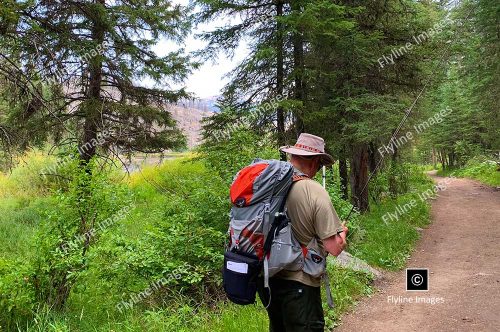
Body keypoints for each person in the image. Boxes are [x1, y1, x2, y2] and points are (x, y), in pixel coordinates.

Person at [258, 133, 349, 332]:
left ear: (293, 156)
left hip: (267, 281)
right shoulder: (313, 190)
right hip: (300, 285)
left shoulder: (269, 185)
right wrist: (342, 234)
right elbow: (333, 248)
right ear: (316, 161)